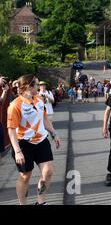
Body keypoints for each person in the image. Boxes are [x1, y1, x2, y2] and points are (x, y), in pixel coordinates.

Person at [7, 74, 61, 205]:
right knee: (25, 176)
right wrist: (17, 151)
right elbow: (11, 129)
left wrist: (54, 133)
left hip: (41, 140)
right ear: (28, 87)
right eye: (36, 84)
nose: (39, 86)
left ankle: (40, 202)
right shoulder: (15, 105)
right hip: (24, 144)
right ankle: (22, 203)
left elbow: (44, 118)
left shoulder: (39, 99)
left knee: (48, 171)